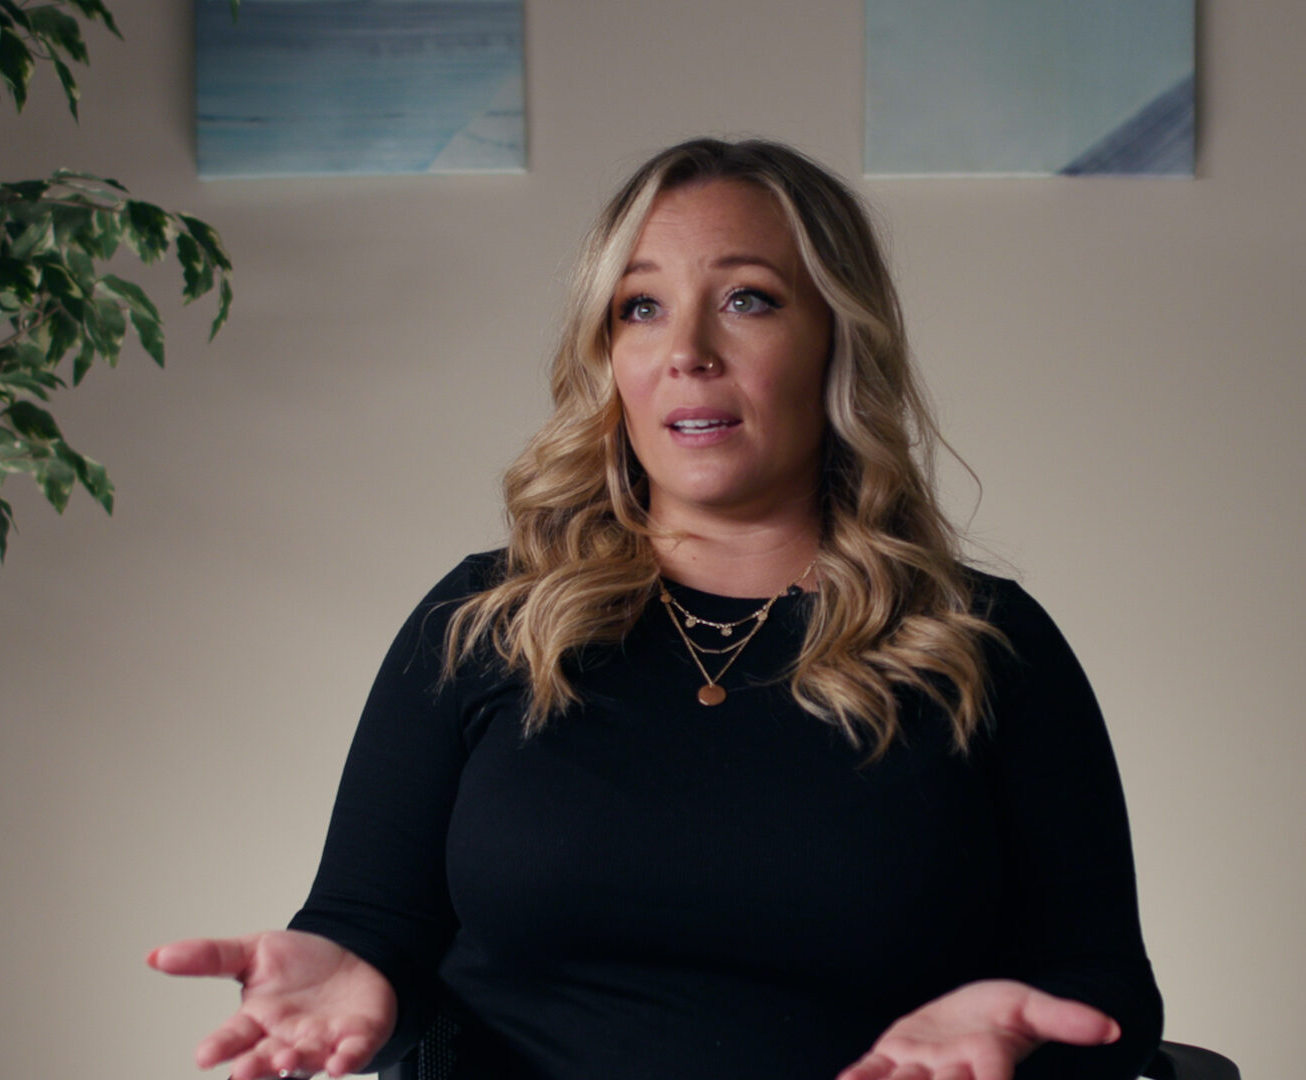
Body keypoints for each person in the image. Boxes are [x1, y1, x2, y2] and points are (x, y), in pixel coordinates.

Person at [149, 138, 1163, 1080]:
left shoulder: (982, 641)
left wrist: (1021, 1041)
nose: (687, 350)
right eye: (640, 307)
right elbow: (370, 929)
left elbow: (1105, 990)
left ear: (836, 341)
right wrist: (350, 972)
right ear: (608, 358)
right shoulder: (484, 621)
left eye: (748, 300)